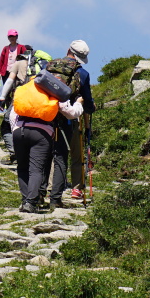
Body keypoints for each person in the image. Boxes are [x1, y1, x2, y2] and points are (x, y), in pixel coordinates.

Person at [9, 74, 83, 213]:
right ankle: (31, 203)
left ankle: (25, 200)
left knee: (22, 167)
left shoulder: (25, 90)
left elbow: (13, 114)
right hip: (41, 133)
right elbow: (71, 113)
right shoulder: (53, 92)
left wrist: (16, 130)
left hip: (20, 131)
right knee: (36, 169)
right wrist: (79, 102)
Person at [45, 41, 96, 209]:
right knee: (75, 154)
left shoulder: (50, 67)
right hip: (70, 117)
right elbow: (87, 100)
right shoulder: (82, 73)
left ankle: (49, 188)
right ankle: (76, 189)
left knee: (51, 154)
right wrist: (89, 107)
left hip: (47, 115)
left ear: (68, 50)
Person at [0, 46, 34, 163]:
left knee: (6, 125)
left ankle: (15, 154)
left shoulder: (18, 63)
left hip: (20, 97)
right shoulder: (38, 65)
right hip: (36, 99)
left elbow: (9, 81)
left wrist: (3, 97)